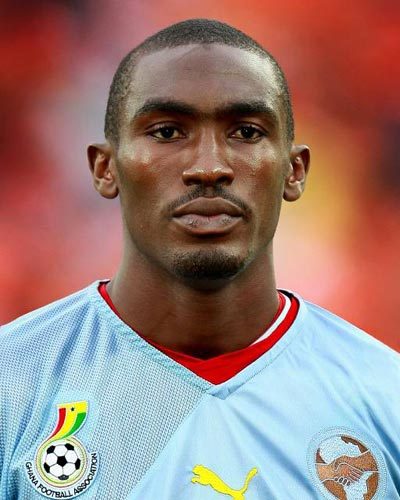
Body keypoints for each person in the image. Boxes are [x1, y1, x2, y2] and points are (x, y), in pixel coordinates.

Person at [0, 18, 398, 500]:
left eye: (246, 132)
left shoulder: (385, 396)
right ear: (106, 168)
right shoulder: (12, 383)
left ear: (294, 171)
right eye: (167, 132)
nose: (209, 167)